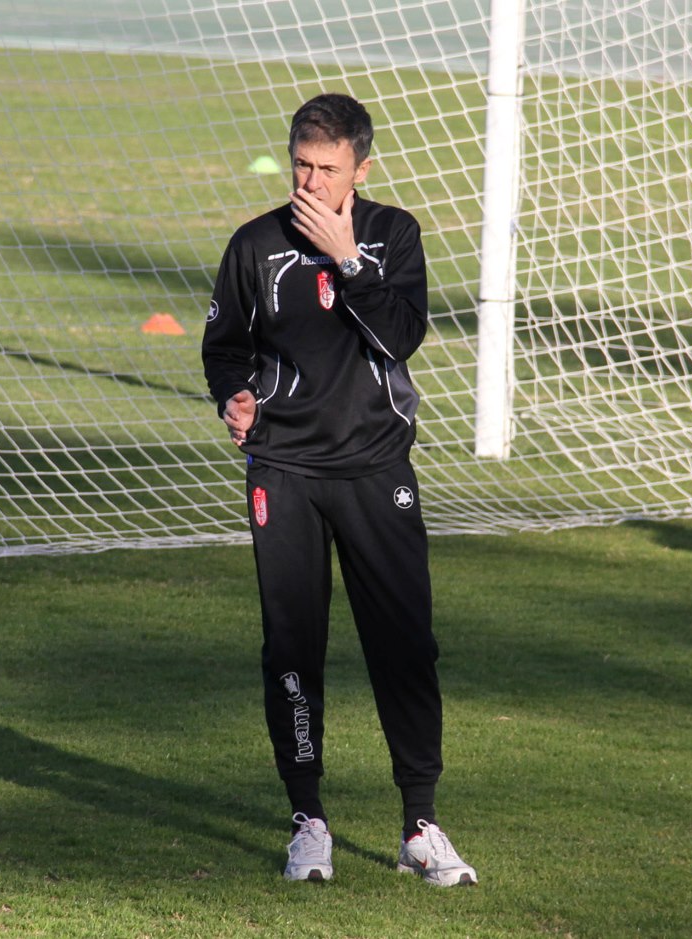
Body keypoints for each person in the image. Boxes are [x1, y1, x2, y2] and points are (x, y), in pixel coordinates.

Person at [201, 93, 477, 887]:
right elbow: (226, 347)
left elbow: (401, 336)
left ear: (361, 166)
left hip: (374, 469)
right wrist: (234, 395)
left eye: (328, 168)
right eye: (301, 166)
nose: (311, 182)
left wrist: (349, 258)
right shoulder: (255, 244)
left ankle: (420, 825)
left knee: (406, 644)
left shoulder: (395, 238)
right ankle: (308, 819)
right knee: (291, 645)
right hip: (283, 470)